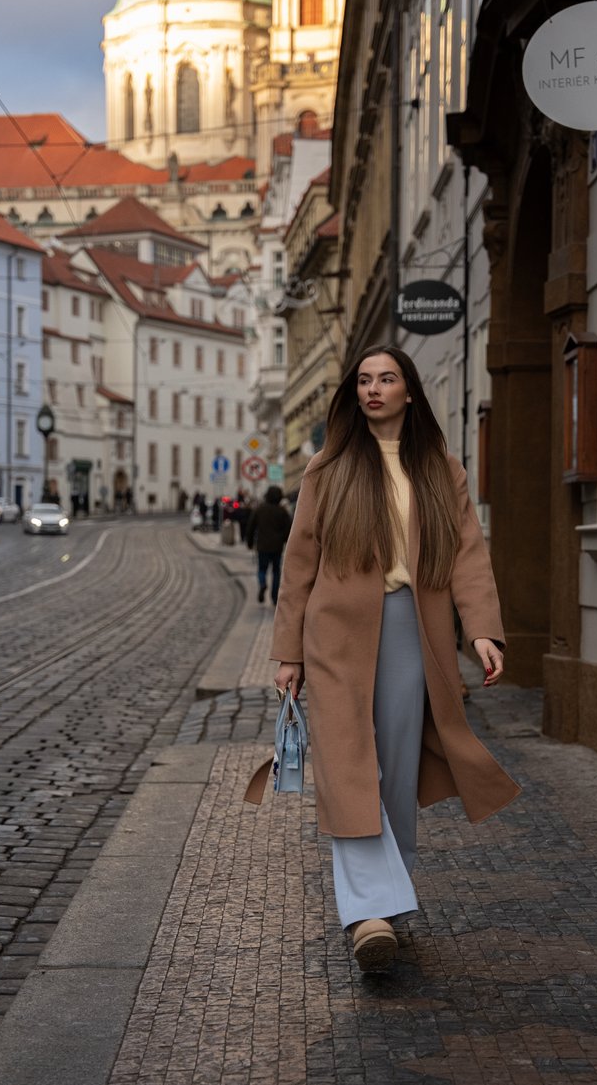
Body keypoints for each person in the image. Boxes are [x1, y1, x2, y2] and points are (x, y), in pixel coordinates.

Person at [272, 344, 520, 973]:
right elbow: (298, 566)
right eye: (364, 380)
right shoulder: (328, 470)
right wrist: (288, 652)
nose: (374, 389)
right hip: (336, 635)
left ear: (410, 390)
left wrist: (483, 630)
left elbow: (468, 555)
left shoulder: (441, 469)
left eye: (387, 379)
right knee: (348, 768)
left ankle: (391, 903)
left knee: (397, 771)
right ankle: (369, 917)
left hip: (414, 629)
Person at [246, 486, 292, 604]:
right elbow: (289, 529)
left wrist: (250, 542)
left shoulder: (260, 510)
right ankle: (274, 597)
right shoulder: (282, 512)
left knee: (262, 569)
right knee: (276, 572)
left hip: (262, 546)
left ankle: (262, 584)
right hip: (277, 546)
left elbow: (251, 527)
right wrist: (284, 540)